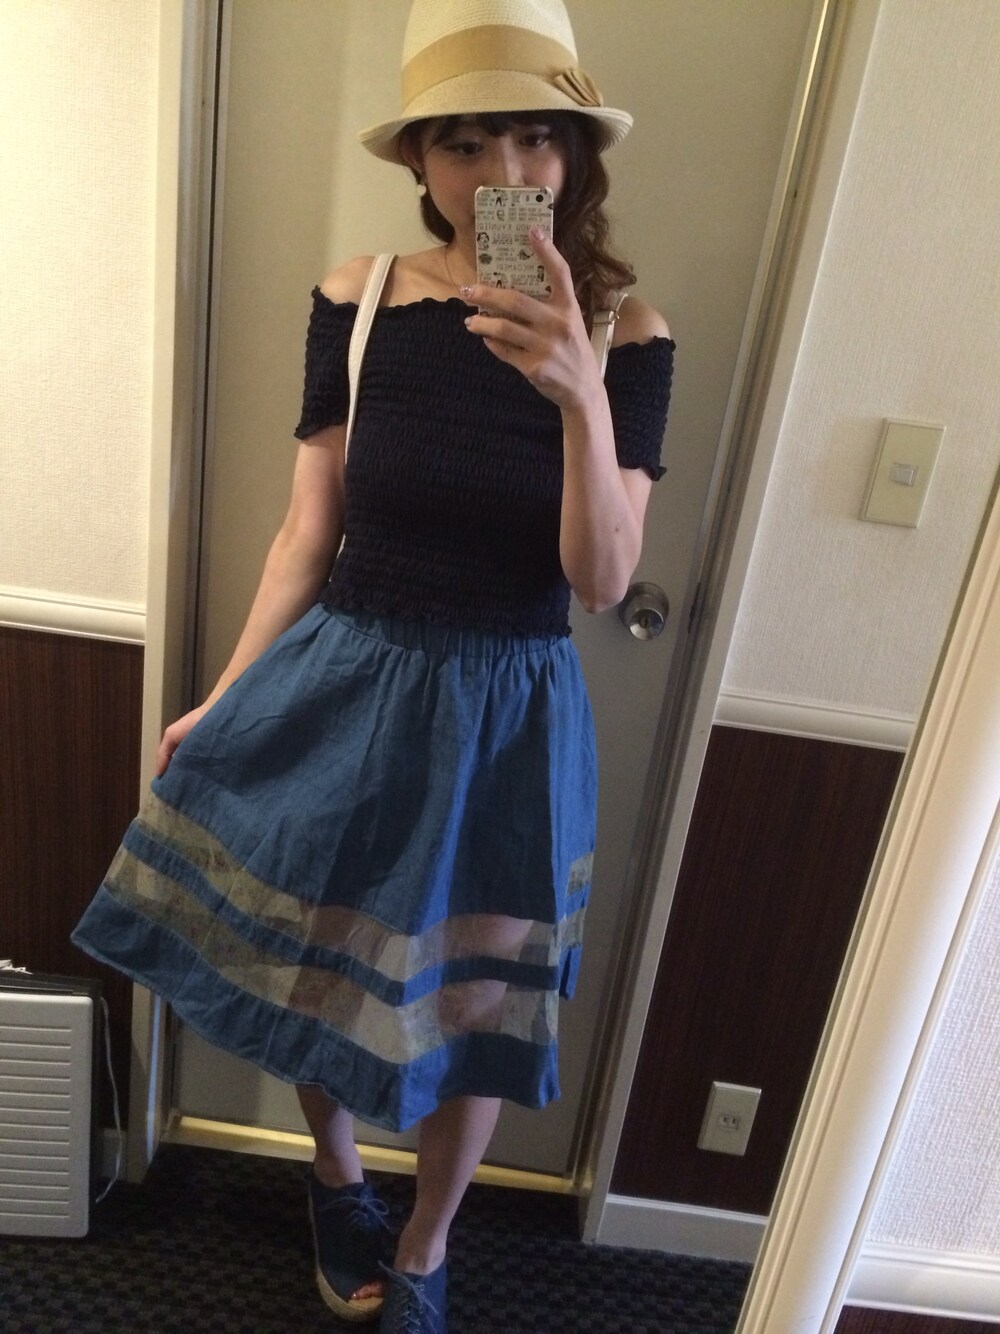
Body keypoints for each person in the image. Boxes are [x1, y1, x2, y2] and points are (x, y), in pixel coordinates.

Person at [72, 1, 674, 1330]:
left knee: (474, 1004)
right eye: (466, 143)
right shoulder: (359, 303)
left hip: (512, 713)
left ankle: (426, 1242)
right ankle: (337, 1176)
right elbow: (309, 530)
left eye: (535, 137)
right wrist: (227, 697)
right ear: (418, 160)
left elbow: (599, 579)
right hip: (350, 682)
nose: (505, 171)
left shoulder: (626, 331)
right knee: (320, 960)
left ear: (575, 152)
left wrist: (579, 392)